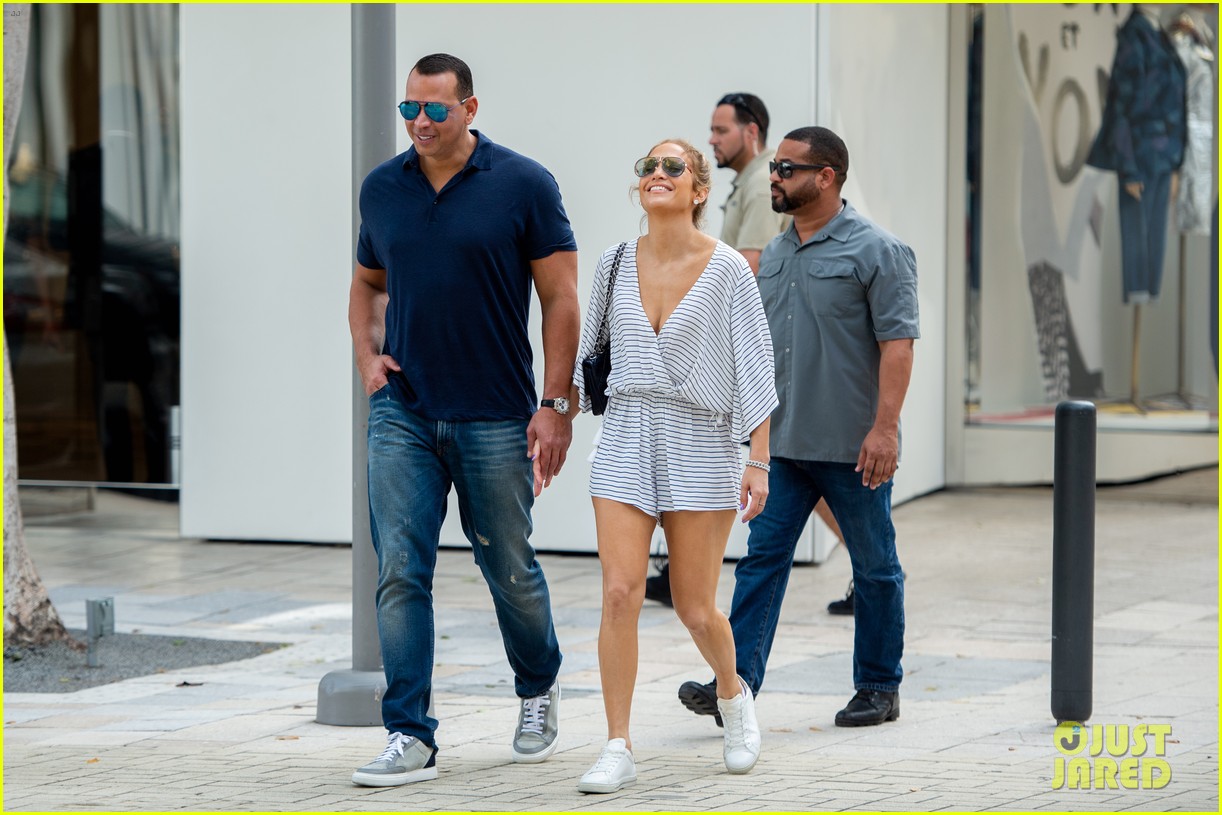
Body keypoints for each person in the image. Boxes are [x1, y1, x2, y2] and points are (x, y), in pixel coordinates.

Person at [347, 53, 579, 787]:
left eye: (436, 110)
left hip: (496, 412)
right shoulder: (383, 188)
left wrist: (555, 404)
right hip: (405, 412)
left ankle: (538, 686)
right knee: (398, 571)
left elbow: (562, 298)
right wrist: (367, 358)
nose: (420, 121)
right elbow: (365, 282)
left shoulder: (523, 184)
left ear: (470, 109)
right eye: (409, 109)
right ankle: (409, 732)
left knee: (507, 566)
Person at [678, 126, 918, 729]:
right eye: (775, 167)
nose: (775, 178)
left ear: (826, 177)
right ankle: (736, 685)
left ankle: (878, 687)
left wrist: (885, 429)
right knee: (761, 562)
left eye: (786, 169)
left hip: (852, 447)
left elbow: (898, 345)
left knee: (875, 566)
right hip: (782, 446)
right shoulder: (777, 251)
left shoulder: (878, 251)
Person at [573, 139, 779, 793]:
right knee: (618, 592)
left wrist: (760, 460)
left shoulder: (727, 271)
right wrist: (549, 414)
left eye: (672, 167)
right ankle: (617, 743)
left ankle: (734, 694)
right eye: (647, 167)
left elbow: (754, 366)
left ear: (697, 190)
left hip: (702, 438)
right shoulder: (611, 264)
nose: (656, 174)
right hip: (628, 433)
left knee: (695, 605)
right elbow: (586, 356)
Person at [644, 93, 848, 615]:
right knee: (790, 467)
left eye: (721, 130)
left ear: (750, 131)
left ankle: (865, 562)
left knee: (787, 464)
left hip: (749, 350)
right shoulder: (752, 183)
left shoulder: (760, 185)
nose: (712, 140)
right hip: (749, 348)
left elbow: (748, 271)